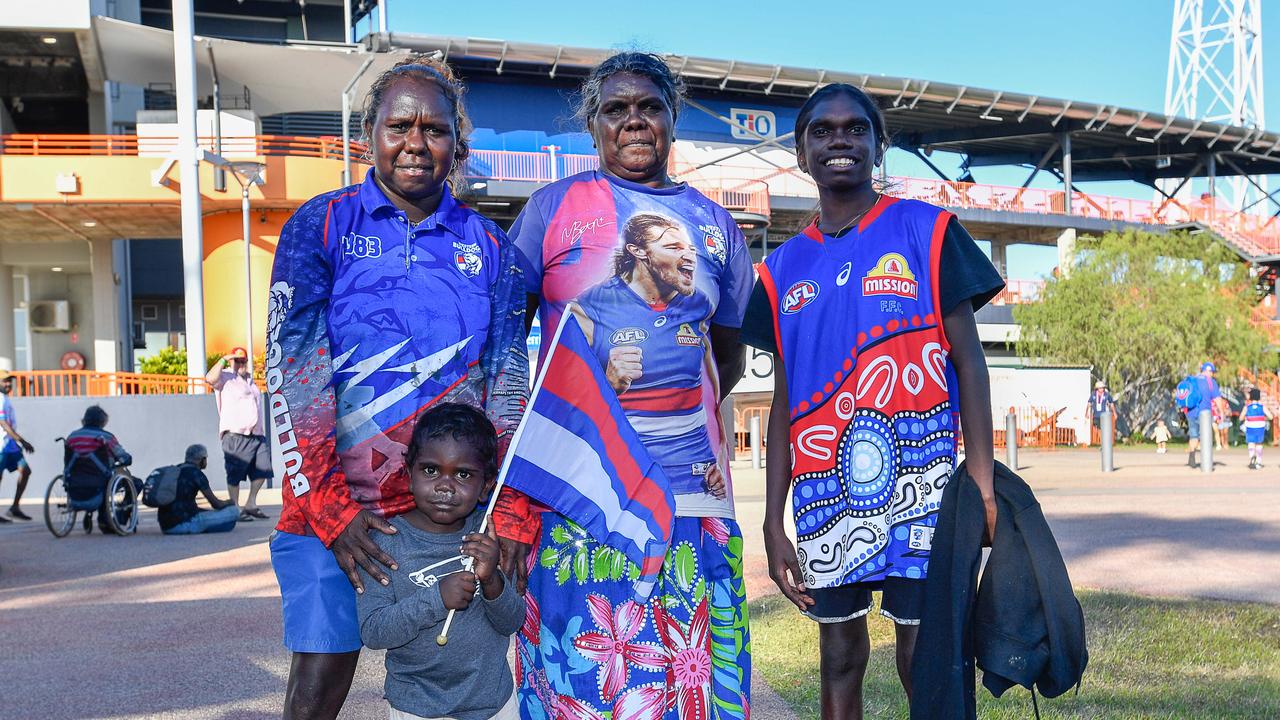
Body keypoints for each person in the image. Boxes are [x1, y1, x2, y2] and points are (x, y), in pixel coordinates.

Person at [266, 54, 528, 720]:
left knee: (459, 677)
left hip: (451, 509)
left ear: (457, 146)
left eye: (435, 130)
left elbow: (507, 387)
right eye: (399, 126)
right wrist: (332, 511)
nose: (417, 142)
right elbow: (295, 375)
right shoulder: (319, 225)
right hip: (341, 512)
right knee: (319, 685)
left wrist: (510, 517)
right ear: (369, 137)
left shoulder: (492, 249)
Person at [497, 52, 752, 720]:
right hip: (577, 493)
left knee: (692, 680)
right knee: (584, 677)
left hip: (692, 498)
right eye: (616, 108)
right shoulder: (550, 210)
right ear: (593, 125)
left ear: (672, 119)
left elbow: (726, 357)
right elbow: (505, 345)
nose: (633, 120)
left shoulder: (716, 226)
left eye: (650, 107)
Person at [739, 83, 1003, 719]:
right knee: (839, 656)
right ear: (802, 153)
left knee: (926, 654)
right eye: (823, 130)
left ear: (878, 146)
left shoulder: (928, 231)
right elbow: (780, 405)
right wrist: (774, 522)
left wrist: (983, 485)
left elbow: (970, 362)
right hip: (826, 496)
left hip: (923, 487)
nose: (840, 139)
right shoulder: (780, 270)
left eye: (856, 128)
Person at [356, 404, 521, 720]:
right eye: (431, 470)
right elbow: (373, 632)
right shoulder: (386, 542)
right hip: (417, 707)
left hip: (493, 705)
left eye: (463, 474)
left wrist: (492, 581)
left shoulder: (486, 534)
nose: (445, 485)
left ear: (487, 485)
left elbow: (511, 621)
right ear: (408, 474)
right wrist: (436, 599)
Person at [206, 346, 271, 522]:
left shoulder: (250, 380)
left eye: (243, 360)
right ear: (231, 361)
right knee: (235, 473)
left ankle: (251, 504)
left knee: (264, 470)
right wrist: (224, 359)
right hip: (236, 434)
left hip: (256, 434)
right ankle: (235, 507)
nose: (241, 364)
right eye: (237, 360)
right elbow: (209, 378)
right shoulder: (225, 377)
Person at [64, 405, 133, 534]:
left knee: (102, 479)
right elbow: (122, 455)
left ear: (84, 420)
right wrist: (127, 459)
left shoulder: (72, 437)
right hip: (100, 480)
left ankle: (92, 514)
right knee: (135, 483)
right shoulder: (106, 437)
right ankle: (108, 519)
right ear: (103, 422)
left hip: (75, 479)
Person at [159, 444, 240, 535]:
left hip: (165, 526)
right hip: (184, 524)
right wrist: (229, 502)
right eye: (205, 458)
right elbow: (216, 504)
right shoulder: (197, 474)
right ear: (201, 460)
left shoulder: (176, 469)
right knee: (234, 511)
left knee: (209, 513)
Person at [0, 369, 35, 522]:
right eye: (5, 381)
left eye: (9, 381)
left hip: (10, 445)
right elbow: (3, 423)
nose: (8, 384)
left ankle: (15, 507)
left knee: (25, 470)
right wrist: (22, 441)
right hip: (2, 445)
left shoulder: (5, 398)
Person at [1184, 362, 1221, 468]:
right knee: (1206, 436)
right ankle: (1206, 461)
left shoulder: (1193, 380)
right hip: (1205, 413)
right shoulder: (1211, 382)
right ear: (1209, 371)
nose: (1213, 374)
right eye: (1212, 372)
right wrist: (1221, 412)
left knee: (1194, 436)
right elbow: (1217, 399)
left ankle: (1192, 456)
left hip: (1191, 412)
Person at [1242, 389, 1272, 469]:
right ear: (1259, 397)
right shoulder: (1262, 407)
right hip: (1260, 428)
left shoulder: (1247, 407)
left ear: (1250, 397)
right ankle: (1258, 462)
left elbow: (1241, 418)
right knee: (1259, 444)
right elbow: (1271, 416)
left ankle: (1252, 458)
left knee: (1251, 443)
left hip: (1250, 427)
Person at [1085, 380, 1117, 446]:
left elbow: (1111, 404)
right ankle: (1101, 441)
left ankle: (1103, 442)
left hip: (1104, 415)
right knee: (1098, 428)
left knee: (1104, 428)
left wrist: (1114, 413)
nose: (1102, 389)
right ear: (1097, 388)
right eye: (1100, 388)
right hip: (1096, 415)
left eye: (1103, 388)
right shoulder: (1093, 395)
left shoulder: (1107, 395)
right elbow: (1089, 404)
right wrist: (1086, 413)